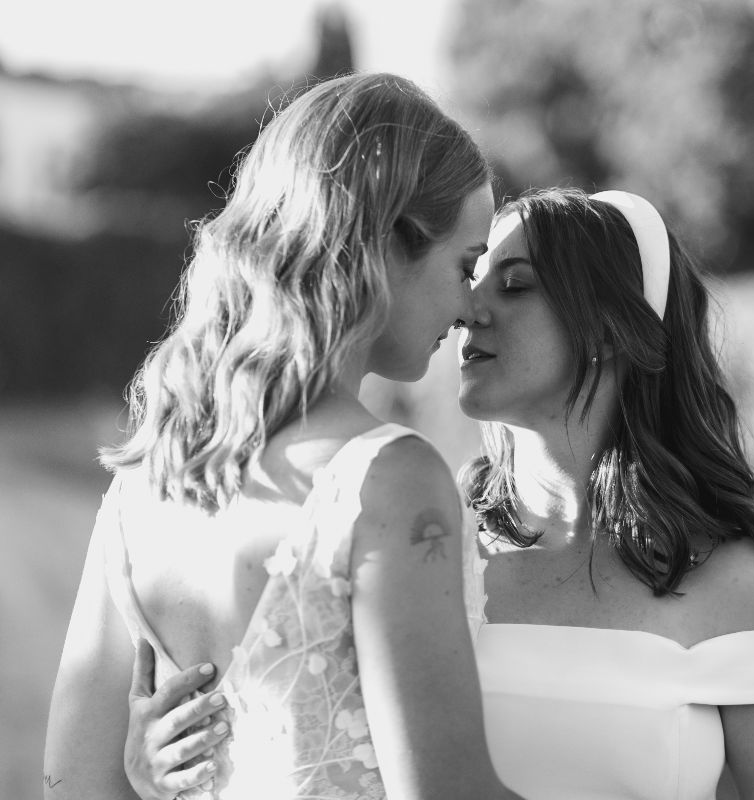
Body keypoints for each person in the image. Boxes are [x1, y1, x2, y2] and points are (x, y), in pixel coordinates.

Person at [122, 188, 754, 799]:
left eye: (515, 286)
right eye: (472, 276)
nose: (469, 309)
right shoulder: (417, 544)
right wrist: (164, 767)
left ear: (609, 327)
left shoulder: (739, 589)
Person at [43, 72, 520, 800]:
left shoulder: (144, 484)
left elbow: (68, 784)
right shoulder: (387, 481)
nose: (467, 308)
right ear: (392, 243)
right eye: (465, 265)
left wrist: (144, 781)